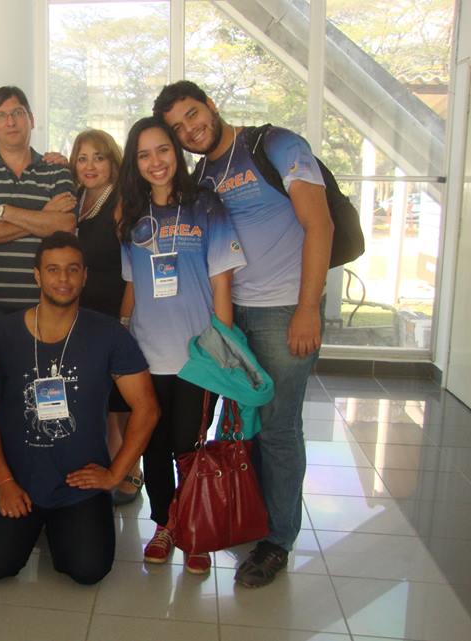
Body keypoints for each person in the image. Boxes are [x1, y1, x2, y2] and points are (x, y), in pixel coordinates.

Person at [156, 80, 333, 587]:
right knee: (243, 424)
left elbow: (319, 225)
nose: (190, 129)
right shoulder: (202, 174)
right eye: (178, 128)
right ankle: (253, 518)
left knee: (278, 428)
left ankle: (278, 539)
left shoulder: (275, 145)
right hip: (231, 316)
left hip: (284, 311)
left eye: (193, 115)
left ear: (211, 105)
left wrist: (308, 308)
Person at [0, 232, 159, 585]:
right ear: (37, 275)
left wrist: (114, 474)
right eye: (53, 269)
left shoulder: (109, 334)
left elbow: (147, 408)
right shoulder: (2, 333)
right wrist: (3, 480)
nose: (63, 279)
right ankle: (35, 525)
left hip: (79, 482)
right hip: (17, 479)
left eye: (72, 269)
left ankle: (59, 527)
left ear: (85, 275)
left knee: (88, 570)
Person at [118, 116, 246, 574]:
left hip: (198, 356)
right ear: (135, 163)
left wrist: (222, 350)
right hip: (146, 355)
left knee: (189, 445)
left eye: (163, 150)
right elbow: (132, 286)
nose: (156, 161)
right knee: (153, 444)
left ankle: (196, 526)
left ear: (177, 152)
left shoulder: (206, 206)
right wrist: (121, 336)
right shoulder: (132, 216)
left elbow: (222, 284)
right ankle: (165, 524)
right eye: (144, 154)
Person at [0, 86, 76, 335]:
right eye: (0, 116)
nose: (10, 122)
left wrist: (3, 211)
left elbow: (65, 226)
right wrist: (43, 216)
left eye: (18, 113)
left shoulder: (56, 170)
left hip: (47, 304)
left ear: (31, 119)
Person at [69, 128, 139, 504]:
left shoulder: (121, 200)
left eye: (99, 157)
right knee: (101, 397)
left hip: (117, 313)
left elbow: (135, 269)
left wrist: (125, 322)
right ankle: (106, 466)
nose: (90, 165)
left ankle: (130, 471)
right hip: (84, 315)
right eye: (82, 158)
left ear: (113, 161)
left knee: (122, 399)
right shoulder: (76, 198)